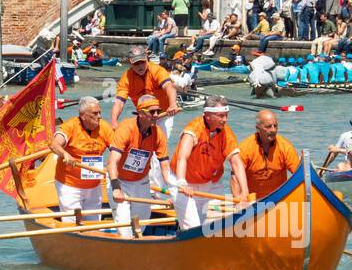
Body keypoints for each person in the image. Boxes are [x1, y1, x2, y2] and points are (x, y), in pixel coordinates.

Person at [165, 96, 247, 230]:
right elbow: (182, 158)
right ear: (207, 116)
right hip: (183, 185)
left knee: (217, 228)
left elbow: (236, 163)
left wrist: (244, 193)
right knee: (194, 228)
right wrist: (181, 183)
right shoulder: (193, 129)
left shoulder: (226, 133)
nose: (225, 119)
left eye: (226, 115)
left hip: (210, 185)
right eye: (220, 116)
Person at [105, 94, 169, 238]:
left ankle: (135, 247)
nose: (157, 115)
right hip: (120, 181)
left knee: (143, 220)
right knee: (124, 227)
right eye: (152, 112)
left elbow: (165, 166)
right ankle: (126, 246)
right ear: (140, 113)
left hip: (141, 181)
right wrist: (116, 188)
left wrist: (173, 189)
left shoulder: (158, 133)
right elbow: (112, 162)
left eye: (158, 111)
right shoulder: (126, 128)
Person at [49, 96, 113, 219]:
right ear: (83, 115)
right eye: (95, 113)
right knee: (72, 223)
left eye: (100, 112)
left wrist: (111, 165)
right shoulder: (70, 126)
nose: (99, 116)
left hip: (94, 185)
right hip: (70, 185)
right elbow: (54, 144)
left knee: (93, 225)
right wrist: (65, 154)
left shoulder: (104, 127)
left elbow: (116, 150)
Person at [109, 45, 178, 128]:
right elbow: (119, 102)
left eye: (142, 62)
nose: (140, 66)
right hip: (144, 117)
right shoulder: (126, 78)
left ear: (146, 59)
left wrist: (172, 104)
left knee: (160, 139)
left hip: (164, 114)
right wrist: (113, 121)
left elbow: (169, 86)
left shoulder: (157, 70)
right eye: (136, 63)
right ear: (130, 63)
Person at [238, 110, 301, 200]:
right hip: (253, 202)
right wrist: (239, 202)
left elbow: (298, 175)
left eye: (275, 126)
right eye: (268, 126)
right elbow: (235, 178)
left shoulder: (285, 147)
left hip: (279, 200)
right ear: (257, 128)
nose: (273, 130)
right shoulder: (245, 148)